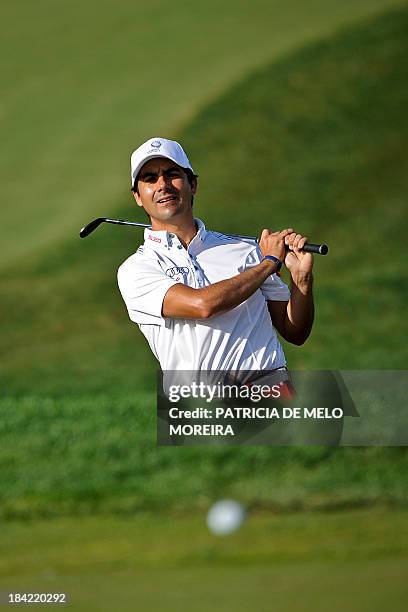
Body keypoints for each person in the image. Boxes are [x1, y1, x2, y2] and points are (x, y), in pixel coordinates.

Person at [117, 137, 314, 390]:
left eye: (172, 174)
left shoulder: (246, 251)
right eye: (150, 178)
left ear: (193, 184)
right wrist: (269, 263)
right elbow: (203, 305)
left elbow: (295, 332)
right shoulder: (136, 269)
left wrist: (301, 281)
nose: (163, 185)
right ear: (138, 197)